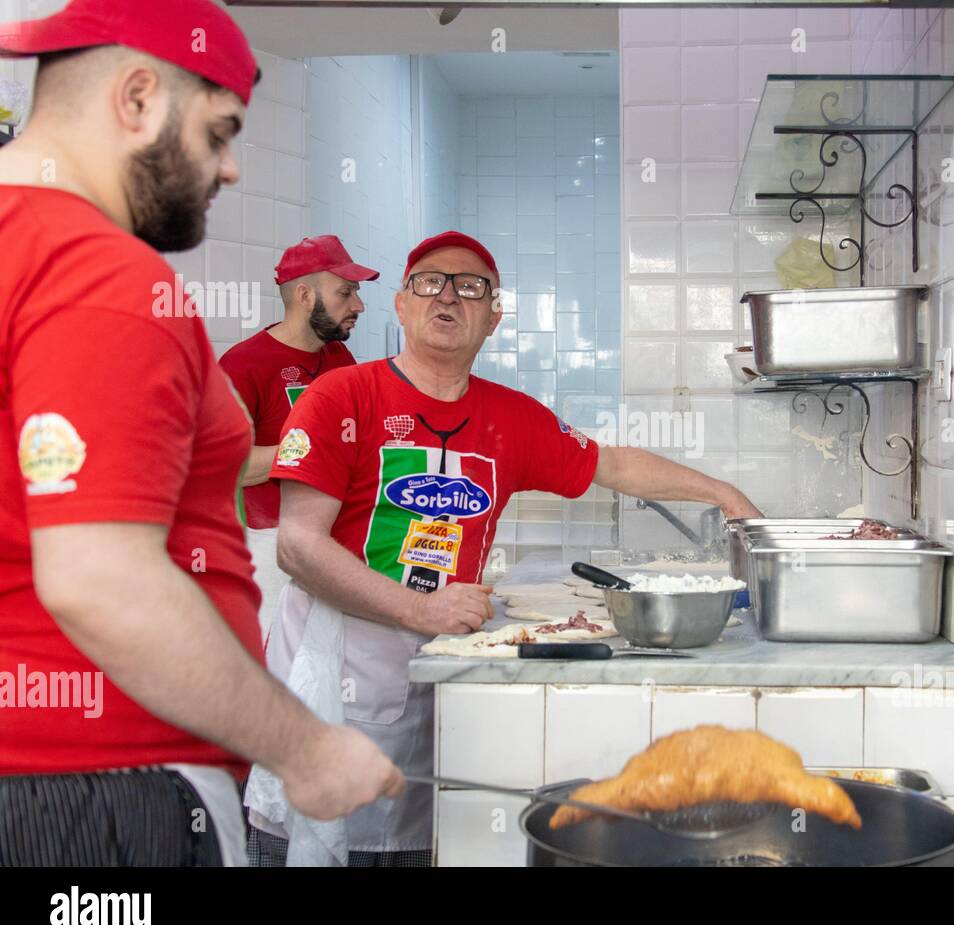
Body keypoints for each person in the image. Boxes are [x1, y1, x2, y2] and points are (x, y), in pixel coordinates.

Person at [0, 0, 400, 866]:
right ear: (138, 97)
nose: (230, 170)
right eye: (219, 132)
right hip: (102, 793)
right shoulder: (96, 273)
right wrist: (307, 749)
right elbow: (100, 578)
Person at [245, 230, 762, 865]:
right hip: (336, 660)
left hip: (442, 654)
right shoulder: (339, 398)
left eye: (471, 288)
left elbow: (614, 466)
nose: (449, 297)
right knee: (309, 841)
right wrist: (416, 609)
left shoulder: (510, 418)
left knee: (420, 839)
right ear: (403, 305)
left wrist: (722, 493)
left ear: (493, 318)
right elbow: (298, 547)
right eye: (430, 282)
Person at [220, 235, 377, 636]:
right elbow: (227, 466)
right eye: (345, 292)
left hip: (338, 541)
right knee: (278, 671)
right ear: (305, 295)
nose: (358, 305)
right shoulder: (243, 365)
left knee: (329, 673)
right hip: (273, 548)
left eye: (356, 293)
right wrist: (312, 455)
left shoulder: (339, 358)